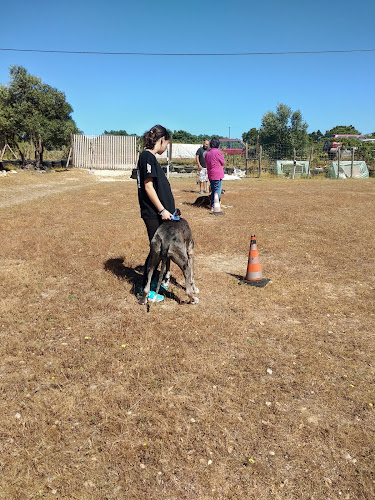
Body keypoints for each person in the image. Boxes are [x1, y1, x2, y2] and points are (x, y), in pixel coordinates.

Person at [137, 125, 175, 302]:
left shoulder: (150, 158)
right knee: (156, 251)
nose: (166, 147)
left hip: (160, 214)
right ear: (162, 140)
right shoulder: (147, 157)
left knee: (160, 251)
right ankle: (144, 290)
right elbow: (148, 186)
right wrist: (161, 210)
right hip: (153, 214)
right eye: (167, 143)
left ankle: (152, 283)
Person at [205, 137, 225, 211]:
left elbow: (206, 162)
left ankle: (212, 205)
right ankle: (214, 205)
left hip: (210, 174)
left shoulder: (208, 153)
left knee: (213, 190)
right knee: (217, 191)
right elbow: (223, 162)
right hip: (217, 174)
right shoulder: (218, 152)